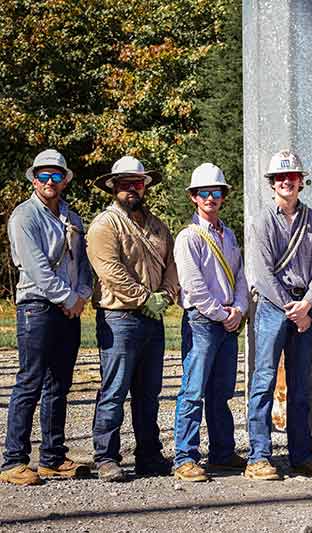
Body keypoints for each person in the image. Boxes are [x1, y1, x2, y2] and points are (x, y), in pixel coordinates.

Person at [1, 150, 93, 486]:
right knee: (30, 381)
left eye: (56, 175)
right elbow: (37, 268)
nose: (50, 181)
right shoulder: (24, 217)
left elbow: (83, 262)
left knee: (59, 385)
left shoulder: (72, 216)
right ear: (34, 179)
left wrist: (82, 295)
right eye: (43, 175)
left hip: (69, 309)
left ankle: (52, 457)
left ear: (65, 180)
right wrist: (68, 297)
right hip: (37, 307)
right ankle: (14, 461)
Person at [87, 156, 179, 482]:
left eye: (137, 183)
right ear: (113, 187)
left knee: (148, 393)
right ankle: (106, 457)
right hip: (119, 317)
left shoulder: (157, 226)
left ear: (145, 186)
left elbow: (172, 266)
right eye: (124, 184)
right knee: (114, 390)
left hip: (152, 320)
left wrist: (166, 296)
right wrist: (144, 299)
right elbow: (109, 271)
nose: (131, 189)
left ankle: (149, 456)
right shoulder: (104, 225)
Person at [246, 149, 312, 480]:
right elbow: (263, 272)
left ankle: (301, 454)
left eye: (292, 177)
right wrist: (292, 310)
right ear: (272, 183)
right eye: (280, 178)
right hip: (272, 306)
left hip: (305, 307)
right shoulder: (263, 221)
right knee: (264, 380)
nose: (286, 183)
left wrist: (307, 304)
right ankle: (259, 455)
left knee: (300, 384)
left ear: (301, 182)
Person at [172, 163, 249, 482]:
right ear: (194, 197)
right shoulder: (188, 237)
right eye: (204, 193)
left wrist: (240, 308)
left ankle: (221, 452)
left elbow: (241, 276)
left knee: (221, 392)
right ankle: (185, 456)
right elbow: (193, 287)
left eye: (216, 193)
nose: (210, 198)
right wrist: (224, 314)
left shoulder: (228, 234)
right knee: (193, 390)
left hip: (227, 321)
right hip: (203, 321)